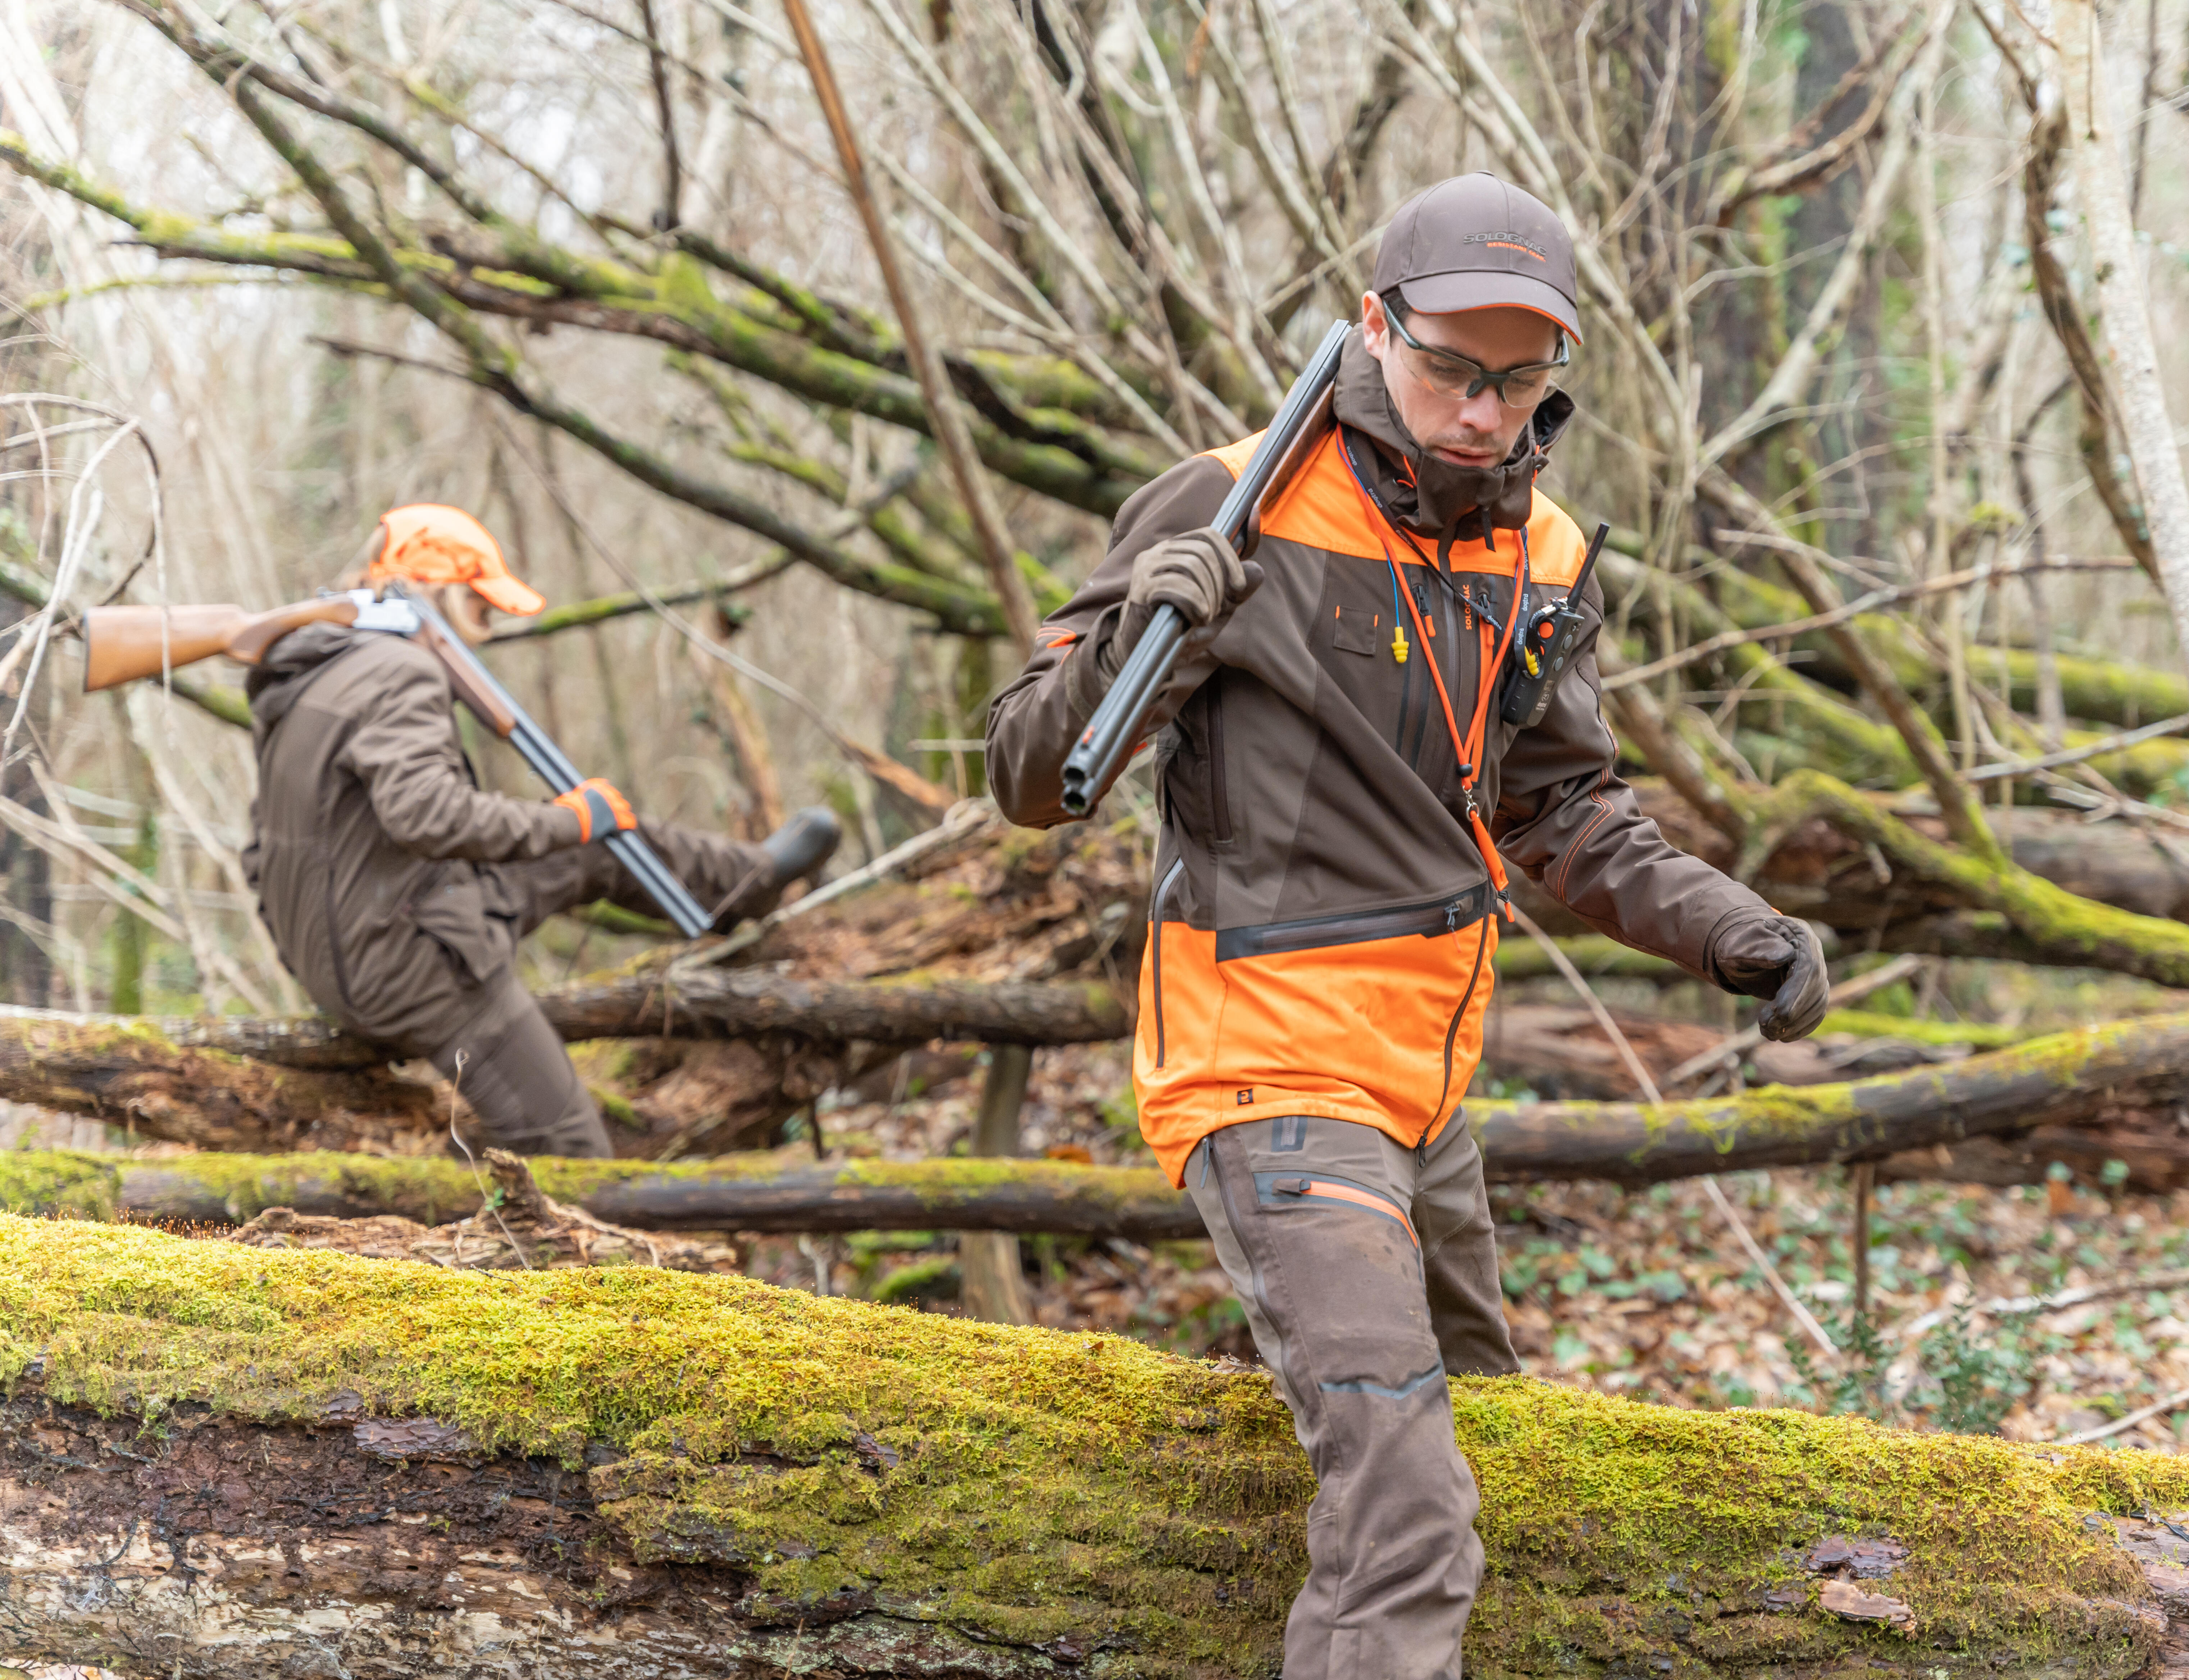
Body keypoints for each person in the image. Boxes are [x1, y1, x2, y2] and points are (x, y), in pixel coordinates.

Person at [987, 173, 1830, 1678]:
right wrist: (1141, 633)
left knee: (1501, 1437)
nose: (1484, 410)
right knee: (1412, 1519)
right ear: (1378, 327)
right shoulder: (1227, 495)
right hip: (1267, 1068)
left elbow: (1562, 812)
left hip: (1426, 1086)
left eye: (1521, 379)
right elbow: (1033, 777)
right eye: (1452, 367)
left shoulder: (1545, 556)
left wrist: (1735, 931)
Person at [243, 503, 838, 1158]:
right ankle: (545, 1254)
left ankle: (748, 884)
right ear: (436, 587)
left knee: (590, 845)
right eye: (481, 609)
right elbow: (427, 815)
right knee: (573, 1152)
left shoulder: (312, 674)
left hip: (345, 954)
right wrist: (568, 816)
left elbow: (259, 850)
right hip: (416, 972)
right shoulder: (399, 671)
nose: (487, 633)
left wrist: (575, 826)